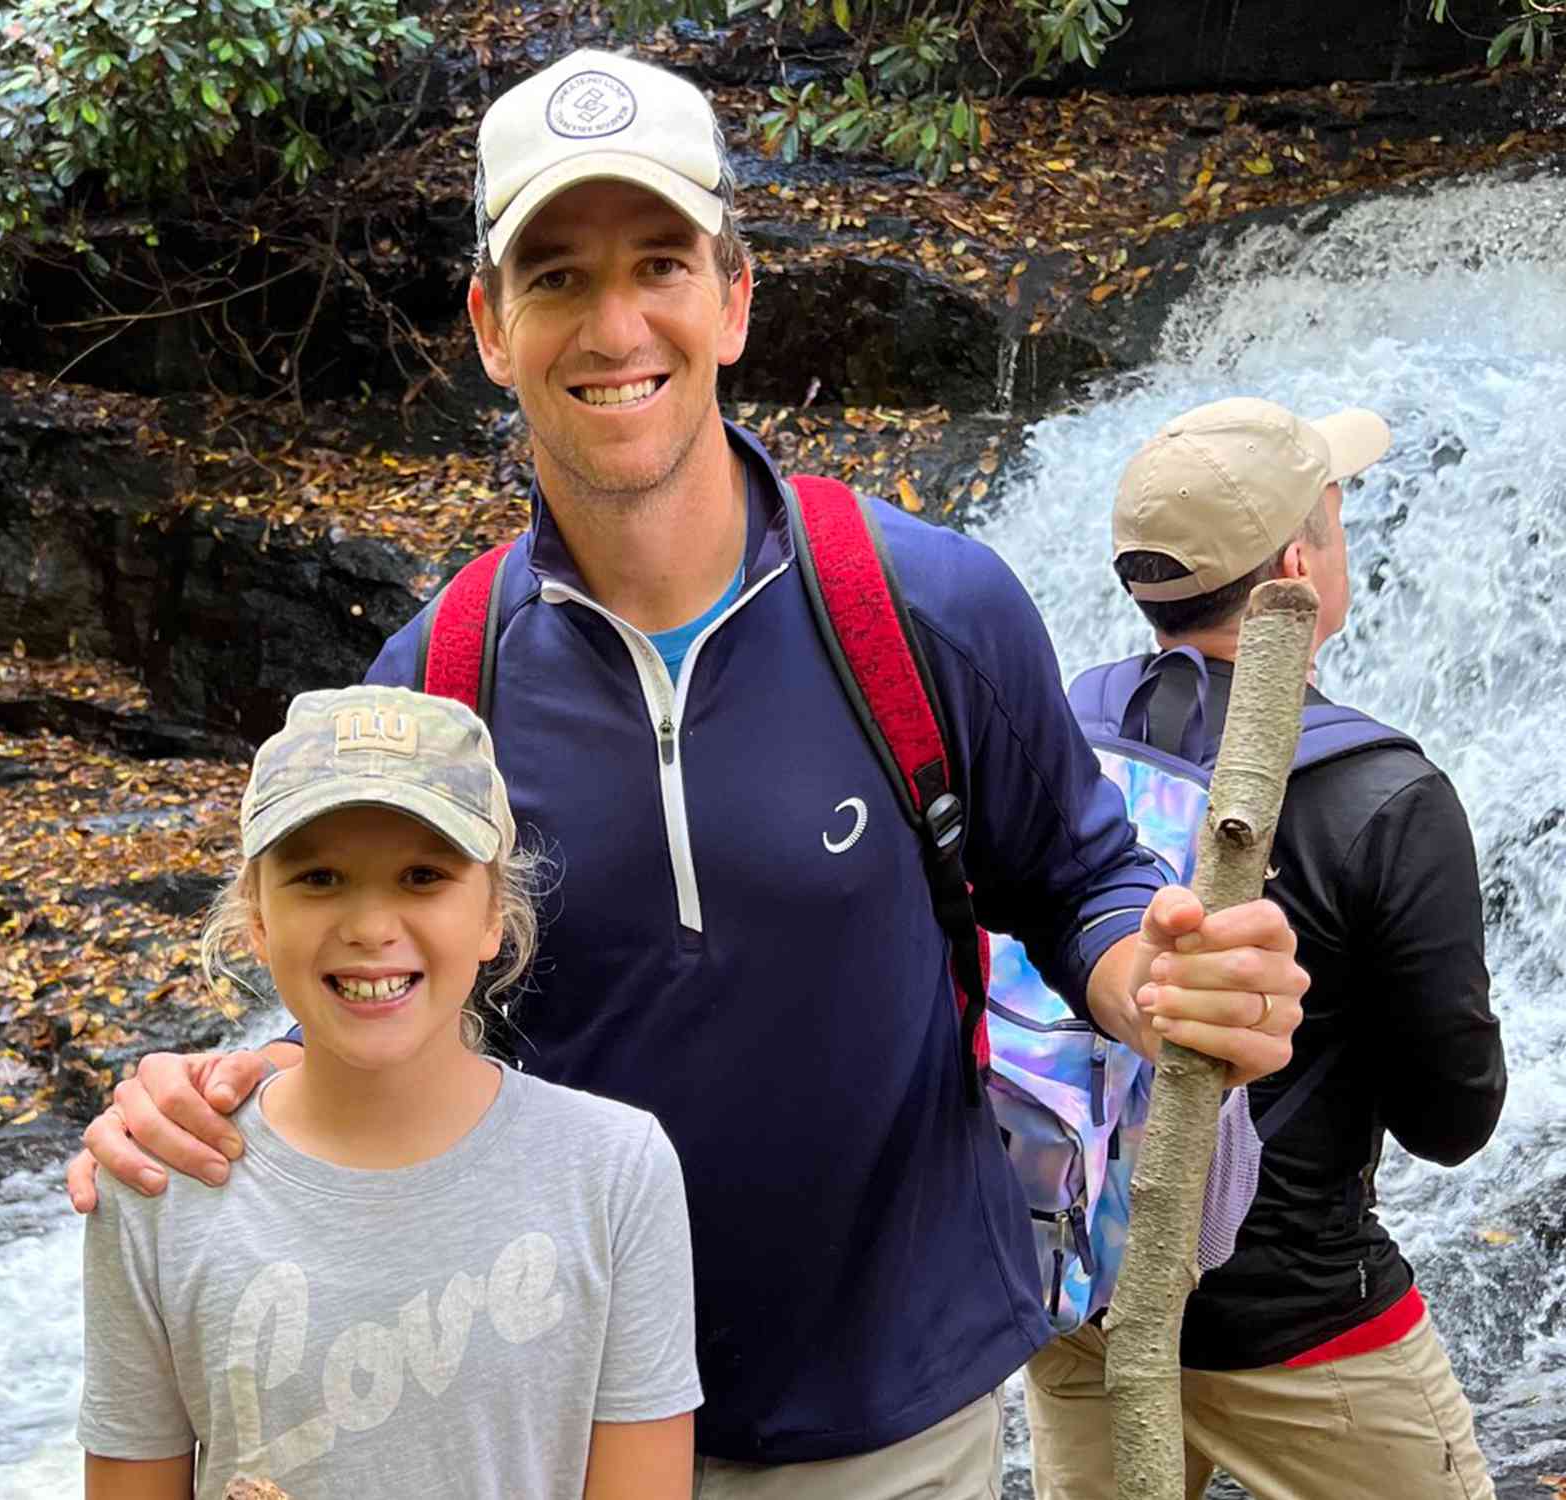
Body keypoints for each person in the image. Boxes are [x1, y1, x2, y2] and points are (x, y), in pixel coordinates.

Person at [70, 50, 1310, 1495]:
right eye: (554, 277)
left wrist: (1161, 984)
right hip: (548, 1414)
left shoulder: (929, 613)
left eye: (660, 262)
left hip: (894, 1412)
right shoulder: (437, 681)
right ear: (488, 323)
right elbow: (388, 995)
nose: (614, 325)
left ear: (732, 297)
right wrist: (223, 1092)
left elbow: (1075, 876)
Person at [1022, 397, 1506, 1498]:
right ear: (1297, 563)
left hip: (1080, 1290)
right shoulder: (1385, 798)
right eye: (1334, 516)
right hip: (1301, 1332)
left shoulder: (1054, 733)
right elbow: (1451, 1119)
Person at [80, 685, 701, 1500]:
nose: (371, 925)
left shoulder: (615, 1171)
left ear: (494, 919)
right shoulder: (162, 1182)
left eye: (421, 876)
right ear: (257, 921)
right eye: (320, 876)